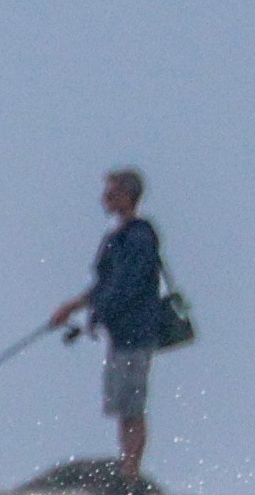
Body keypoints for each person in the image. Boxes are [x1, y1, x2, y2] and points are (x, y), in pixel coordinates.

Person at [46, 166, 170, 476]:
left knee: (131, 405)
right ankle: (127, 466)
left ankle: (130, 470)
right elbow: (106, 284)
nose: (104, 198)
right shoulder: (119, 237)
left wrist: (98, 314)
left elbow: (126, 286)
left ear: (126, 197)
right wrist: (74, 307)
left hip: (136, 332)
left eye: (111, 193)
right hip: (121, 334)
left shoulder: (139, 237)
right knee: (122, 405)